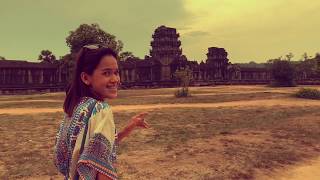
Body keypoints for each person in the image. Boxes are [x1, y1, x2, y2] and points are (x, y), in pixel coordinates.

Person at [54, 44, 150, 180]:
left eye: (116, 72)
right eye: (106, 73)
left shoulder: (76, 108)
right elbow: (102, 168)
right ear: (86, 78)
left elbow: (99, 147)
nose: (115, 79)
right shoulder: (101, 110)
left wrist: (131, 126)